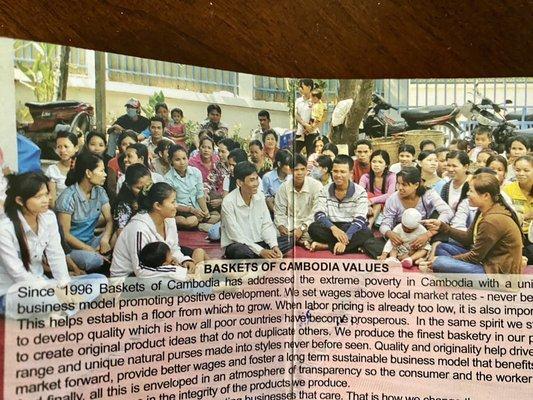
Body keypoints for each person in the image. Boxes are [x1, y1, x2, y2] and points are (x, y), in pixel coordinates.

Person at [0, 172, 105, 317]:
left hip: (45, 284)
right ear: (19, 200)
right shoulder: (5, 229)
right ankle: (62, 310)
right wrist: (53, 289)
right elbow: (18, 274)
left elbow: (56, 254)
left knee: (100, 281)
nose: (46, 200)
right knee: (47, 297)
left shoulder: (48, 217)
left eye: (46, 194)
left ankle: (58, 313)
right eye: (38, 197)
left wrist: (64, 286)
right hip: (14, 292)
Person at [427, 173, 524, 274]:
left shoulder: (492, 220)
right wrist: (443, 227)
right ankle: (450, 274)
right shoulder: (483, 209)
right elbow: (468, 239)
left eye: (471, 191)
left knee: (440, 262)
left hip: (495, 274)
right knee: (442, 247)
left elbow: (474, 257)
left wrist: (449, 260)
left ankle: (448, 273)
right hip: (484, 261)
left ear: (486, 195)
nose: (467, 193)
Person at [111, 182, 203, 277]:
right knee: (182, 281)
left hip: (156, 267)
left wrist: (184, 260)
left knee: (194, 262)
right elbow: (140, 270)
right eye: (172, 202)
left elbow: (173, 248)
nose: (176, 206)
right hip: (129, 279)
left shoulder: (169, 220)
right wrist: (179, 271)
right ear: (157, 206)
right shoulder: (138, 228)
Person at [221, 161, 292, 259]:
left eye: (256, 179)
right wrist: (261, 251)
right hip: (239, 244)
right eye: (251, 180)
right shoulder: (228, 201)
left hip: (260, 242)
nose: (256, 184)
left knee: (290, 240)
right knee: (241, 252)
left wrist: (274, 246)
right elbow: (235, 234)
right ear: (239, 183)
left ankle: (268, 253)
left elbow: (266, 224)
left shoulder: (259, 196)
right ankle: (261, 255)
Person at [56, 152, 113, 273]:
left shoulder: (100, 191)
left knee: (119, 235)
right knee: (94, 260)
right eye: (101, 171)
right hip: (72, 249)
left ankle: (101, 257)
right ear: (88, 173)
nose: (105, 174)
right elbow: (65, 235)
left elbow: (109, 219)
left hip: (92, 241)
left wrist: (105, 240)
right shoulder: (68, 198)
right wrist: (89, 249)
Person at [307, 155, 373, 254]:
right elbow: (319, 214)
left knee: (366, 232)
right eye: (335, 171)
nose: (338, 175)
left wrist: (346, 238)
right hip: (332, 226)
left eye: (342, 172)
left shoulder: (360, 191)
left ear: (351, 173)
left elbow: (360, 218)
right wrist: (334, 229)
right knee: (313, 228)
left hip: (351, 226)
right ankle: (353, 246)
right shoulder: (324, 190)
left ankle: (327, 246)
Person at [379, 167, 453, 255]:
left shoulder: (428, 194)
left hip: (424, 232)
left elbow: (447, 212)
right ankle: (408, 255)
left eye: (404, 185)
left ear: (416, 185)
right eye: (398, 184)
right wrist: (389, 233)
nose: (400, 188)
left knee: (441, 221)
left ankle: (429, 252)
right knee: (373, 243)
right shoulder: (392, 199)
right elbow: (385, 224)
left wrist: (427, 234)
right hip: (402, 235)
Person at [165, 145, 219, 230]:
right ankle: (199, 225)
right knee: (189, 221)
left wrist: (206, 212)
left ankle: (200, 222)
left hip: (197, 207)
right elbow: (173, 204)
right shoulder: (168, 178)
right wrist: (191, 210)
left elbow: (200, 194)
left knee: (216, 216)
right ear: (171, 161)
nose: (182, 162)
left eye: (184, 158)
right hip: (182, 210)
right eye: (177, 160)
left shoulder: (196, 172)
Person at [274, 154, 322, 247]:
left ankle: (296, 240)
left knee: (316, 231)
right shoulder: (284, 187)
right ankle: (298, 241)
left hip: (309, 226)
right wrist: (281, 226)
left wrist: (302, 228)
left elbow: (316, 213)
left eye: (302, 169)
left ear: (306, 169)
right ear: (291, 171)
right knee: (272, 232)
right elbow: (279, 212)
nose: (299, 173)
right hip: (289, 225)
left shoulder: (316, 186)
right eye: (296, 170)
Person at [502, 155, 533, 263]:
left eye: (526, 170)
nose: (521, 173)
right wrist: (525, 216)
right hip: (515, 236)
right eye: (518, 170)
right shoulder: (507, 190)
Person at [112, 163, 152, 245]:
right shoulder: (124, 204)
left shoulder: (153, 196)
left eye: (148, 186)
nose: (144, 191)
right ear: (128, 185)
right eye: (139, 188)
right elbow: (121, 232)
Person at [359, 150, 396, 228]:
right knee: (368, 194)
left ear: (386, 165)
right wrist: (367, 205)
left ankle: (368, 226)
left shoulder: (391, 176)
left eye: (380, 162)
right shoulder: (365, 177)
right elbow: (359, 193)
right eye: (374, 161)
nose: (376, 165)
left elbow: (390, 195)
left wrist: (371, 201)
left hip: (386, 205)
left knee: (378, 204)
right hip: (368, 206)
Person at [189, 136, 224, 213]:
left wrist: (220, 198)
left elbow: (222, 181)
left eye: (209, 148)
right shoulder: (192, 162)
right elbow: (192, 182)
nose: (206, 150)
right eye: (203, 147)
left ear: (212, 150)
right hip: (198, 192)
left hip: (215, 193)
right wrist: (203, 191)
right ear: (199, 148)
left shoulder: (217, 161)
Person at [45, 131, 79, 208]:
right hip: (61, 211)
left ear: (76, 148)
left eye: (66, 146)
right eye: (59, 147)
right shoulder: (52, 170)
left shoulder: (83, 167)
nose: (62, 150)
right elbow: (52, 202)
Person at [106, 130, 137, 199]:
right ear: (120, 146)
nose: (127, 147)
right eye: (124, 144)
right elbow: (112, 188)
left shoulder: (140, 159)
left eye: (131, 144)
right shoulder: (113, 162)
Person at [294, 79, 315, 155]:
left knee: (311, 156)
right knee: (294, 154)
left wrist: (310, 127)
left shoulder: (315, 101)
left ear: (309, 87)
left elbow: (316, 117)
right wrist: (304, 124)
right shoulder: (298, 100)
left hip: (312, 133)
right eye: (299, 86)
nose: (299, 89)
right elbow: (296, 114)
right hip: (300, 132)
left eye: (301, 86)